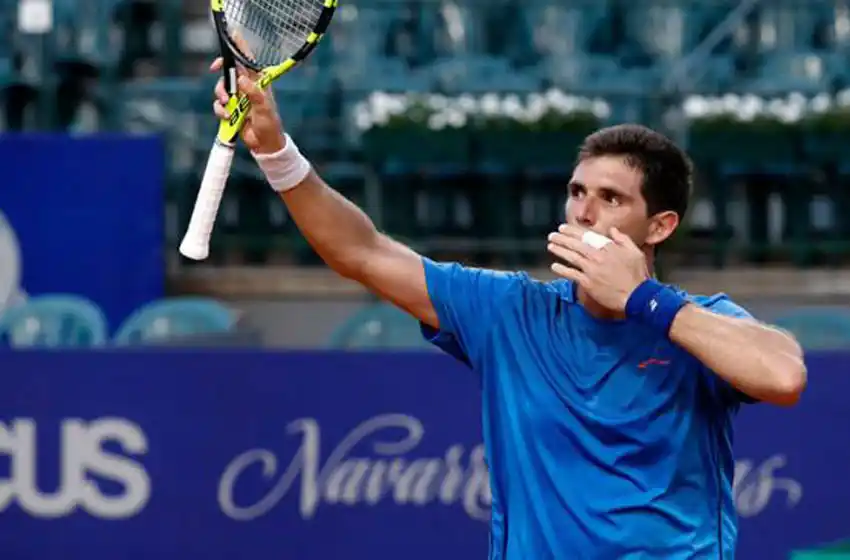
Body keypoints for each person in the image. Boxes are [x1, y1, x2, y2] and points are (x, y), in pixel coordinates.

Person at [210, 60, 807, 558]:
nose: (584, 213)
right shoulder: (509, 311)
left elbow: (784, 375)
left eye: (611, 198)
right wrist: (276, 151)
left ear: (661, 225)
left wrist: (642, 300)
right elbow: (360, 252)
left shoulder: (696, 319)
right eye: (577, 192)